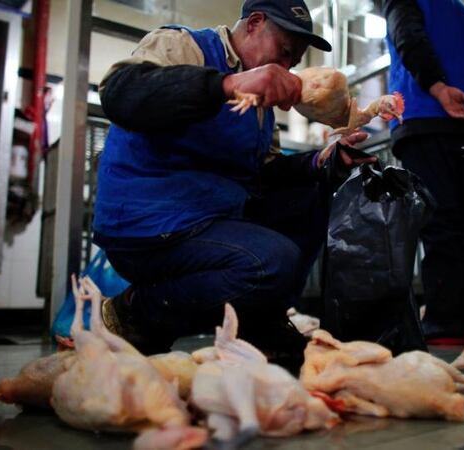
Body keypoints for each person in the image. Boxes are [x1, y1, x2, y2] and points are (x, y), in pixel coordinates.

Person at [92, 0, 374, 357]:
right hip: (147, 225)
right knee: (271, 263)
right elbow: (121, 93)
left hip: (206, 220)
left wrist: (320, 162)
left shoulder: (261, 108)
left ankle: (260, 323)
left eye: (293, 62)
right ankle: (139, 312)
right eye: (283, 52)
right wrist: (227, 84)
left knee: (313, 187)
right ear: (254, 23)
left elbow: (263, 176)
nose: (286, 67)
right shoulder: (184, 46)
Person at [384, 0, 464, 338]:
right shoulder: (460, 11)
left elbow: (408, 39)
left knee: (437, 223)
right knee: (457, 222)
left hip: (427, 115)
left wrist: (437, 87)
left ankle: (445, 320)